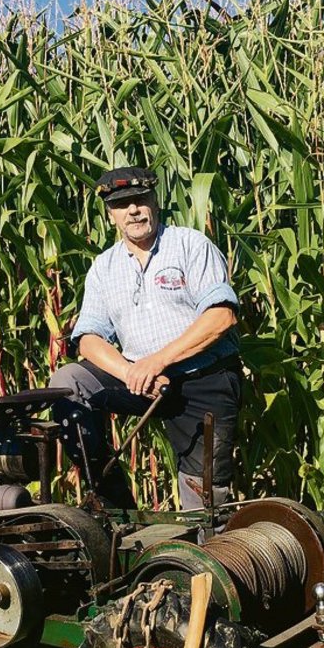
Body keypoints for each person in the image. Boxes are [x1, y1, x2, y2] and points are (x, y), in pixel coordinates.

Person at [48, 166, 242, 510]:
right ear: (111, 216)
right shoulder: (104, 267)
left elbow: (221, 316)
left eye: (140, 200)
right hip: (140, 381)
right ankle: (114, 507)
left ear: (155, 201)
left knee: (205, 503)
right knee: (68, 382)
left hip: (203, 381)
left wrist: (157, 361)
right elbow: (88, 338)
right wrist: (131, 374)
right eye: (122, 205)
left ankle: (210, 553)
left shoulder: (189, 245)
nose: (133, 210)